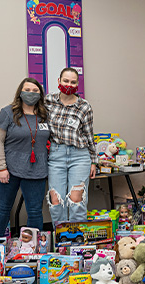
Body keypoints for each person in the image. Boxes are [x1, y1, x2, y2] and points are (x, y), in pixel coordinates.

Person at [0, 78, 49, 237]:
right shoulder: (7, 112)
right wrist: (2, 167)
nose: (31, 94)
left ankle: (32, 248)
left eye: (35, 91)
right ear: (20, 92)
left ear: (40, 94)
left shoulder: (45, 114)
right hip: (10, 169)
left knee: (35, 211)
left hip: (36, 170)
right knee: (4, 207)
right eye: (27, 90)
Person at [46, 68, 97, 224]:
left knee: (77, 200)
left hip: (79, 156)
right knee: (56, 200)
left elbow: (89, 135)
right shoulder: (48, 101)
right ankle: (61, 241)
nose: (69, 84)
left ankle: (77, 244)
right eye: (66, 81)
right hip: (56, 155)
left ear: (77, 84)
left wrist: (93, 161)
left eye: (73, 82)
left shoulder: (84, 106)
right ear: (59, 81)